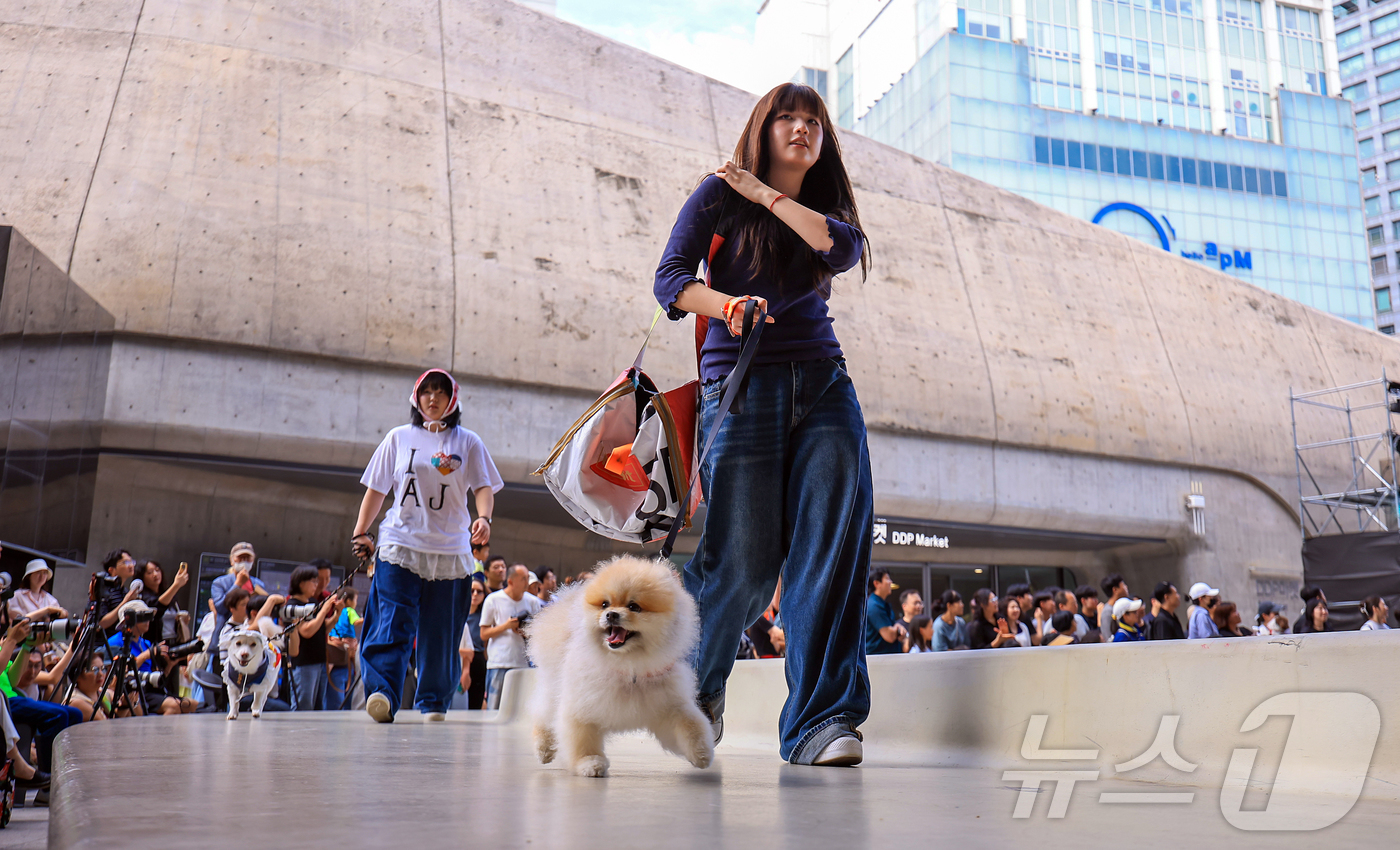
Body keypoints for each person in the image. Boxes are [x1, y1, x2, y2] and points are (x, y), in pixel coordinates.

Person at [655, 82, 872, 767]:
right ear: (763, 127)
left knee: (827, 551)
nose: (801, 128)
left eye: (813, 121)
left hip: (825, 385)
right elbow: (669, 280)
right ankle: (696, 694)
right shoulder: (716, 196)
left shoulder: (822, 208)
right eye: (787, 118)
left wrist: (767, 195)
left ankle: (821, 722)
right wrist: (725, 305)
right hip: (741, 389)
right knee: (742, 565)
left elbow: (841, 249)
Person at [353, 368, 504, 723]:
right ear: (416, 397)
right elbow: (377, 489)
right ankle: (382, 693)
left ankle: (434, 700)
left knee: (441, 630)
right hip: (400, 544)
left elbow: (484, 486)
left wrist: (484, 518)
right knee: (392, 621)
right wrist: (361, 532)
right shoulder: (398, 437)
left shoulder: (468, 442)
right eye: (426, 392)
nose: (432, 398)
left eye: (440, 392)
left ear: (453, 399)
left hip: (451, 551)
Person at [105, 599, 197, 716]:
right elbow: (117, 673)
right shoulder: (115, 642)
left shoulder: (145, 643)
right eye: (144, 617)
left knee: (191, 704)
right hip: (129, 691)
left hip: (148, 690)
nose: (148, 621)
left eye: (149, 617)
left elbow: (156, 678)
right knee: (173, 706)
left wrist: (170, 665)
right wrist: (146, 655)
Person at [479, 564, 541, 710]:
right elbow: (483, 633)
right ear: (511, 581)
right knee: (494, 707)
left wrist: (524, 631)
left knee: (520, 709)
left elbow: (539, 633)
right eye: (523, 578)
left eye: (527, 578)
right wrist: (506, 626)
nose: (527, 582)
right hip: (499, 662)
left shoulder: (533, 602)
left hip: (522, 663)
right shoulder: (493, 599)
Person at [284, 564, 343, 711]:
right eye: (313, 581)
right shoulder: (292, 605)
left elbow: (322, 628)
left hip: (319, 661)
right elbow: (306, 631)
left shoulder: (313, 603)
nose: (316, 585)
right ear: (301, 583)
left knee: (318, 707)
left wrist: (336, 615)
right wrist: (324, 609)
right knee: (303, 706)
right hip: (304, 663)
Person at [209, 542, 268, 641]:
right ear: (232, 561)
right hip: (226, 637)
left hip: (252, 636)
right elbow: (220, 608)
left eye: (248, 558)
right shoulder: (220, 583)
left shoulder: (258, 584)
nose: (244, 561)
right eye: (240, 558)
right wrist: (237, 584)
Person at [137, 559, 191, 645]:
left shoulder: (169, 594)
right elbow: (158, 607)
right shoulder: (141, 597)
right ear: (142, 576)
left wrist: (181, 620)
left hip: (174, 641)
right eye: (150, 572)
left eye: (157, 570)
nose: (155, 574)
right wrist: (176, 585)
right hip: (156, 644)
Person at [328, 588, 362, 710]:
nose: (356, 603)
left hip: (335, 650)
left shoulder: (336, 612)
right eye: (355, 600)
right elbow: (357, 622)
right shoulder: (349, 610)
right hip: (346, 649)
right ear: (348, 601)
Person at [458, 577, 488, 709]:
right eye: (471, 591)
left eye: (479, 591)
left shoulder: (484, 616)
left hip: (478, 659)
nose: (475, 594)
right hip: (459, 660)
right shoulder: (457, 615)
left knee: (475, 701)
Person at [96, 548, 142, 633]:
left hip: (121, 639)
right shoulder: (103, 590)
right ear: (111, 570)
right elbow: (99, 625)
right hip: (104, 640)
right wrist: (125, 602)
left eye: (132, 562)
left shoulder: (124, 591)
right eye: (126, 562)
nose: (131, 566)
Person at [864, 569, 904, 655]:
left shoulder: (882, 604)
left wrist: (896, 628)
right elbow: (889, 636)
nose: (891, 582)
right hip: (878, 657)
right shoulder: (874, 605)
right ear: (876, 583)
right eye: (887, 578)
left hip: (885, 656)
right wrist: (898, 630)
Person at [1099, 574, 1128, 638]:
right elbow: (1108, 636)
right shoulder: (1107, 612)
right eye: (1123, 585)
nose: (1126, 587)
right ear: (1115, 590)